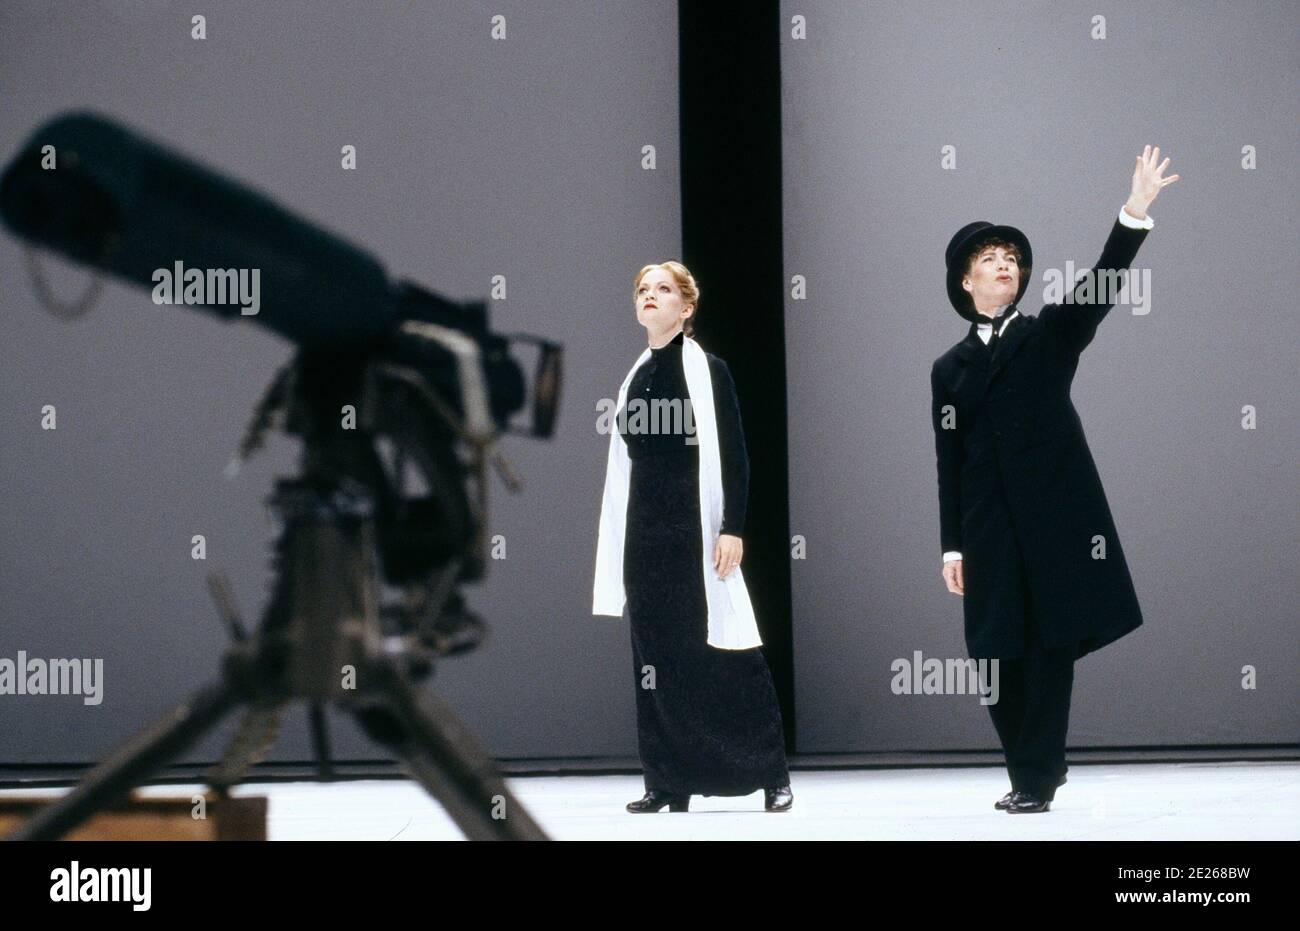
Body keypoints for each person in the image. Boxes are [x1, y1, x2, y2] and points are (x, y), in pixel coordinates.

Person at [930, 146, 1178, 813]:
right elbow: (947, 459)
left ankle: (1035, 778)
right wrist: (952, 545)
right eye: (989, 258)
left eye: (1011, 256)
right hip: (987, 531)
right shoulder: (947, 368)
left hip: (1054, 525)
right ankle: (1032, 767)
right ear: (964, 282)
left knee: (1048, 647)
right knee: (992, 653)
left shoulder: (1047, 336)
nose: (1004, 263)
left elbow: (1102, 283)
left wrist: (1134, 211)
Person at [594, 261, 792, 813]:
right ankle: (666, 782)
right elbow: (625, 464)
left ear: (686, 307)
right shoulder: (635, 376)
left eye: (662, 289)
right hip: (645, 534)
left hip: (695, 529)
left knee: (726, 652)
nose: (649, 296)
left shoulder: (710, 371)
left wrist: (732, 527)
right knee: (654, 659)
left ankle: (770, 774)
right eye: (642, 290)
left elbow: (735, 455)